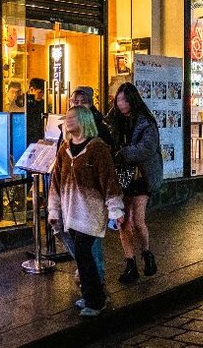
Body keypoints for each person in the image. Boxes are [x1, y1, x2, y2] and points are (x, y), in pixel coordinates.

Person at [47, 106, 123, 317]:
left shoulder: (98, 149)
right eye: (67, 118)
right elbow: (56, 182)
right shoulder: (64, 150)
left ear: (84, 120)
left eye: (72, 117)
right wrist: (54, 210)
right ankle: (93, 295)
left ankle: (96, 301)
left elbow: (109, 181)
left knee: (83, 252)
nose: (68, 121)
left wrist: (115, 210)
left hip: (91, 212)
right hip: (71, 212)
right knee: (82, 256)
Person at [107, 82, 163, 284]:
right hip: (122, 176)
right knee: (122, 221)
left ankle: (147, 254)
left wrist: (121, 153)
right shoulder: (115, 120)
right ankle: (130, 263)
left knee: (137, 221)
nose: (121, 103)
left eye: (124, 99)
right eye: (118, 99)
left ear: (132, 99)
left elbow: (146, 149)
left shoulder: (146, 122)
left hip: (140, 177)